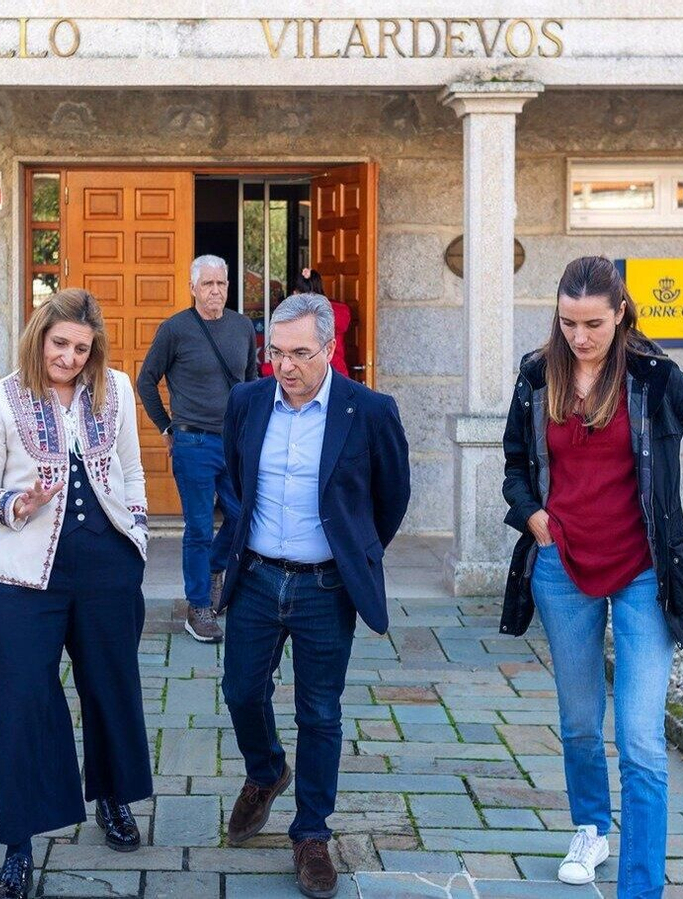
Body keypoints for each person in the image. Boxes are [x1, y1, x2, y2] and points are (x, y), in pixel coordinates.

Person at [499, 256, 683, 896]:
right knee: (580, 721)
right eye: (568, 322)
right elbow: (515, 464)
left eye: (593, 324)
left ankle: (641, 887)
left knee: (640, 739)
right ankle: (589, 827)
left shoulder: (653, 378)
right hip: (561, 569)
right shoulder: (536, 374)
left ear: (621, 315)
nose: (580, 337)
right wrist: (532, 516)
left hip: (645, 574)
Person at [0, 288, 153, 899]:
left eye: (81, 348)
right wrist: (17, 504)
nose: (69, 357)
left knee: (110, 686)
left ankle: (113, 799)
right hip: (24, 578)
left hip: (106, 568)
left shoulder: (115, 389)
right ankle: (19, 844)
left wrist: (139, 536)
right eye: (60, 343)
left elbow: (131, 468)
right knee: (21, 705)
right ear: (39, 335)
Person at [215, 293, 410, 899]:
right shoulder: (247, 402)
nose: (286, 365)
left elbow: (392, 497)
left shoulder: (369, 411)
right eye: (275, 352)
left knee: (320, 711)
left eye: (300, 352)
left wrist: (355, 551)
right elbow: (233, 477)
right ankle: (267, 769)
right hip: (257, 577)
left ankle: (311, 834)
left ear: (329, 348)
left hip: (326, 584)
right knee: (241, 689)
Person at [137, 254, 259, 643]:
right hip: (192, 442)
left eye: (221, 283)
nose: (216, 291)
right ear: (192, 288)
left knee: (243, 516)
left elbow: (252, 384)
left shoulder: (242, 328)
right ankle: (198, 607)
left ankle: (213, 572)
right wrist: (166, 427)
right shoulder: (175, 330)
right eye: (207, 284)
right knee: (200, 527)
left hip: (233, 442)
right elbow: (146, 381)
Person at [291, 267, 351, 379]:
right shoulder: (338, 311)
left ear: (296, 293)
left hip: (312, 375)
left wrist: (265, 368)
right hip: (338, 372)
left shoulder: (301, 317)